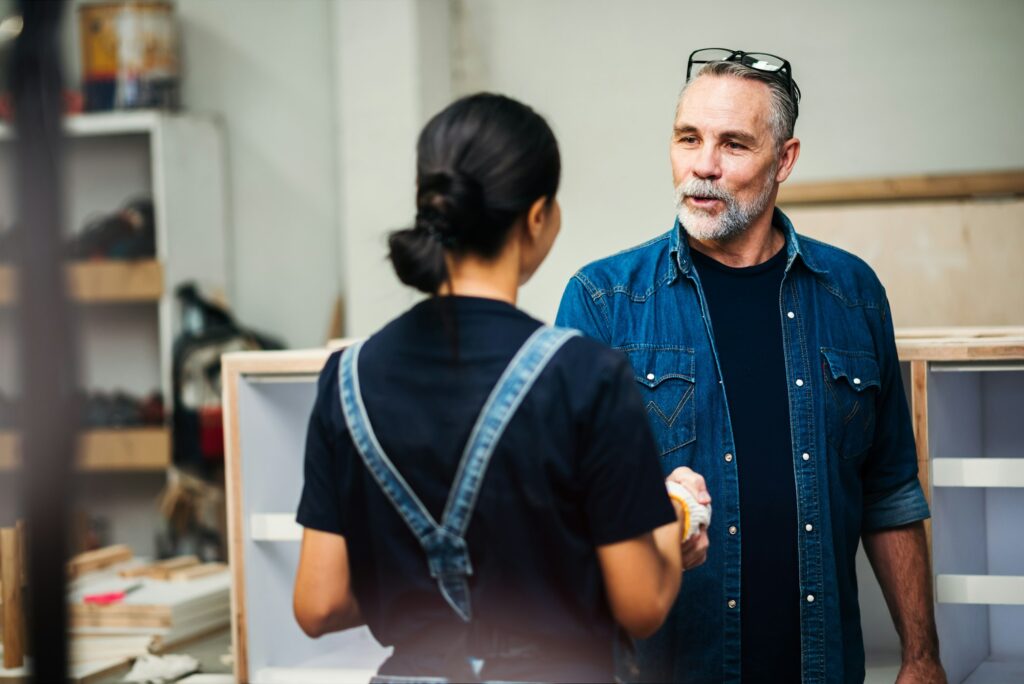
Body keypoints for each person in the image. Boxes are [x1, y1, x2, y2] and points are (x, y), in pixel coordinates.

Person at [556, 49, 945, 684]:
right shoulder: (604, 301)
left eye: (733, 145)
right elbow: (559, 509)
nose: (702, 167)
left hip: (820, 669)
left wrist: (922, 656)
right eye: (689, 139)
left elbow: (889, 489)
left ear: (784, 160)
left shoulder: (852, 293)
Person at [293, 93, 709, 684]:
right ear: (537, 216)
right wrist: (676, 515)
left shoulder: (347, 377)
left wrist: (416, 583)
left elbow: (318, 602)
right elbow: (641, 606)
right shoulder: (585, 376)